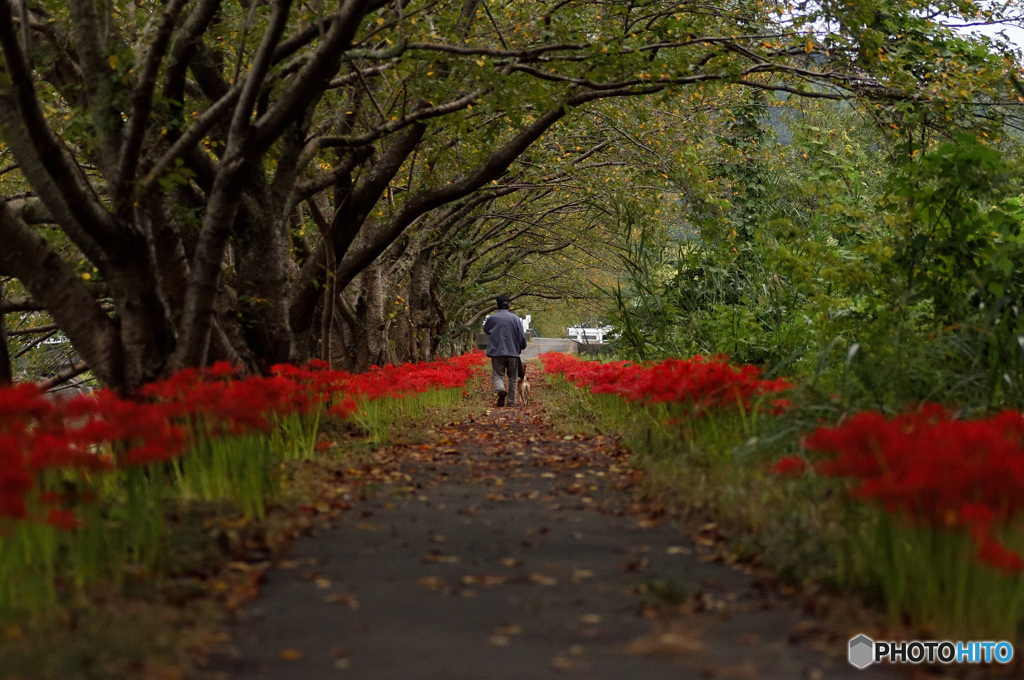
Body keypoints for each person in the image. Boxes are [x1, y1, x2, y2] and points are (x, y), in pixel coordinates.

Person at [483, 294, 527, 407]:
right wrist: (522, 346)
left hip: (496, 352)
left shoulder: (491, 318)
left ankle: (500, 390)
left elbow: (486, 330)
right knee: (513, 377)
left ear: (497, 306)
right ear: (509, 306)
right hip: (512, 352)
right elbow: (522, 336)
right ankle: (511, 401)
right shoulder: (516, 319)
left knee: (497, 375)